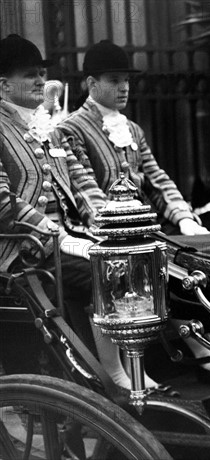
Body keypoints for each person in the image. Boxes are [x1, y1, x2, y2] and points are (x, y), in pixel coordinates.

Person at [0, 34, 145, 389]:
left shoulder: (45, 126)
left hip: (62, 244)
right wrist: (58, 236)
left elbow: (80, 186)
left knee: (132, 263)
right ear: (4, 85)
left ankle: (137, 367)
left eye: (40, 73)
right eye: (29, 75)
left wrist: (107, 226)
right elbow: (3, 204)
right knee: (105, 273)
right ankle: (115, 376)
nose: (39, 81)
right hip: (21, 251)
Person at [58, 39, 208, 236]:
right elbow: (85, 188)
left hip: (143, 227)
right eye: (114, 80)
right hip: (102, 234)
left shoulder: (133, 130)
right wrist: (112, 230)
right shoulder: (72, 128)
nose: (124, 87)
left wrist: (184, 218)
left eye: (126, 80)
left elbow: (156, 179)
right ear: (92, 84)